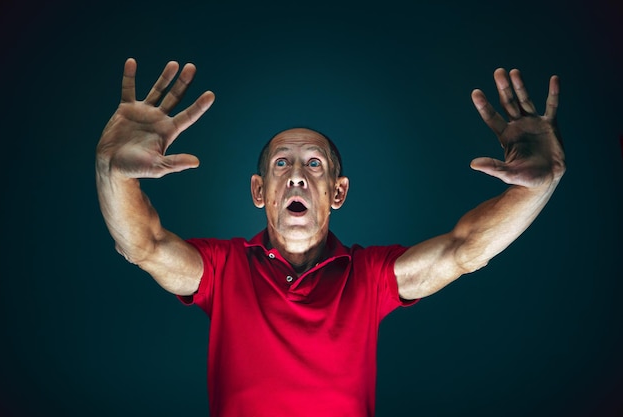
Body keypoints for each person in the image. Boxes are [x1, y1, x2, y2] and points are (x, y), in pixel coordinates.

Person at [96, 58, 565, 417]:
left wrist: (539, 186)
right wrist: (112, 171)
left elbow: (465, 250)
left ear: (337, 192)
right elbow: (144, 245)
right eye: (282, 163)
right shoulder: (222, 268)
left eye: (313, 164)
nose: (297, 176)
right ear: (259, 191)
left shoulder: (370, 276)